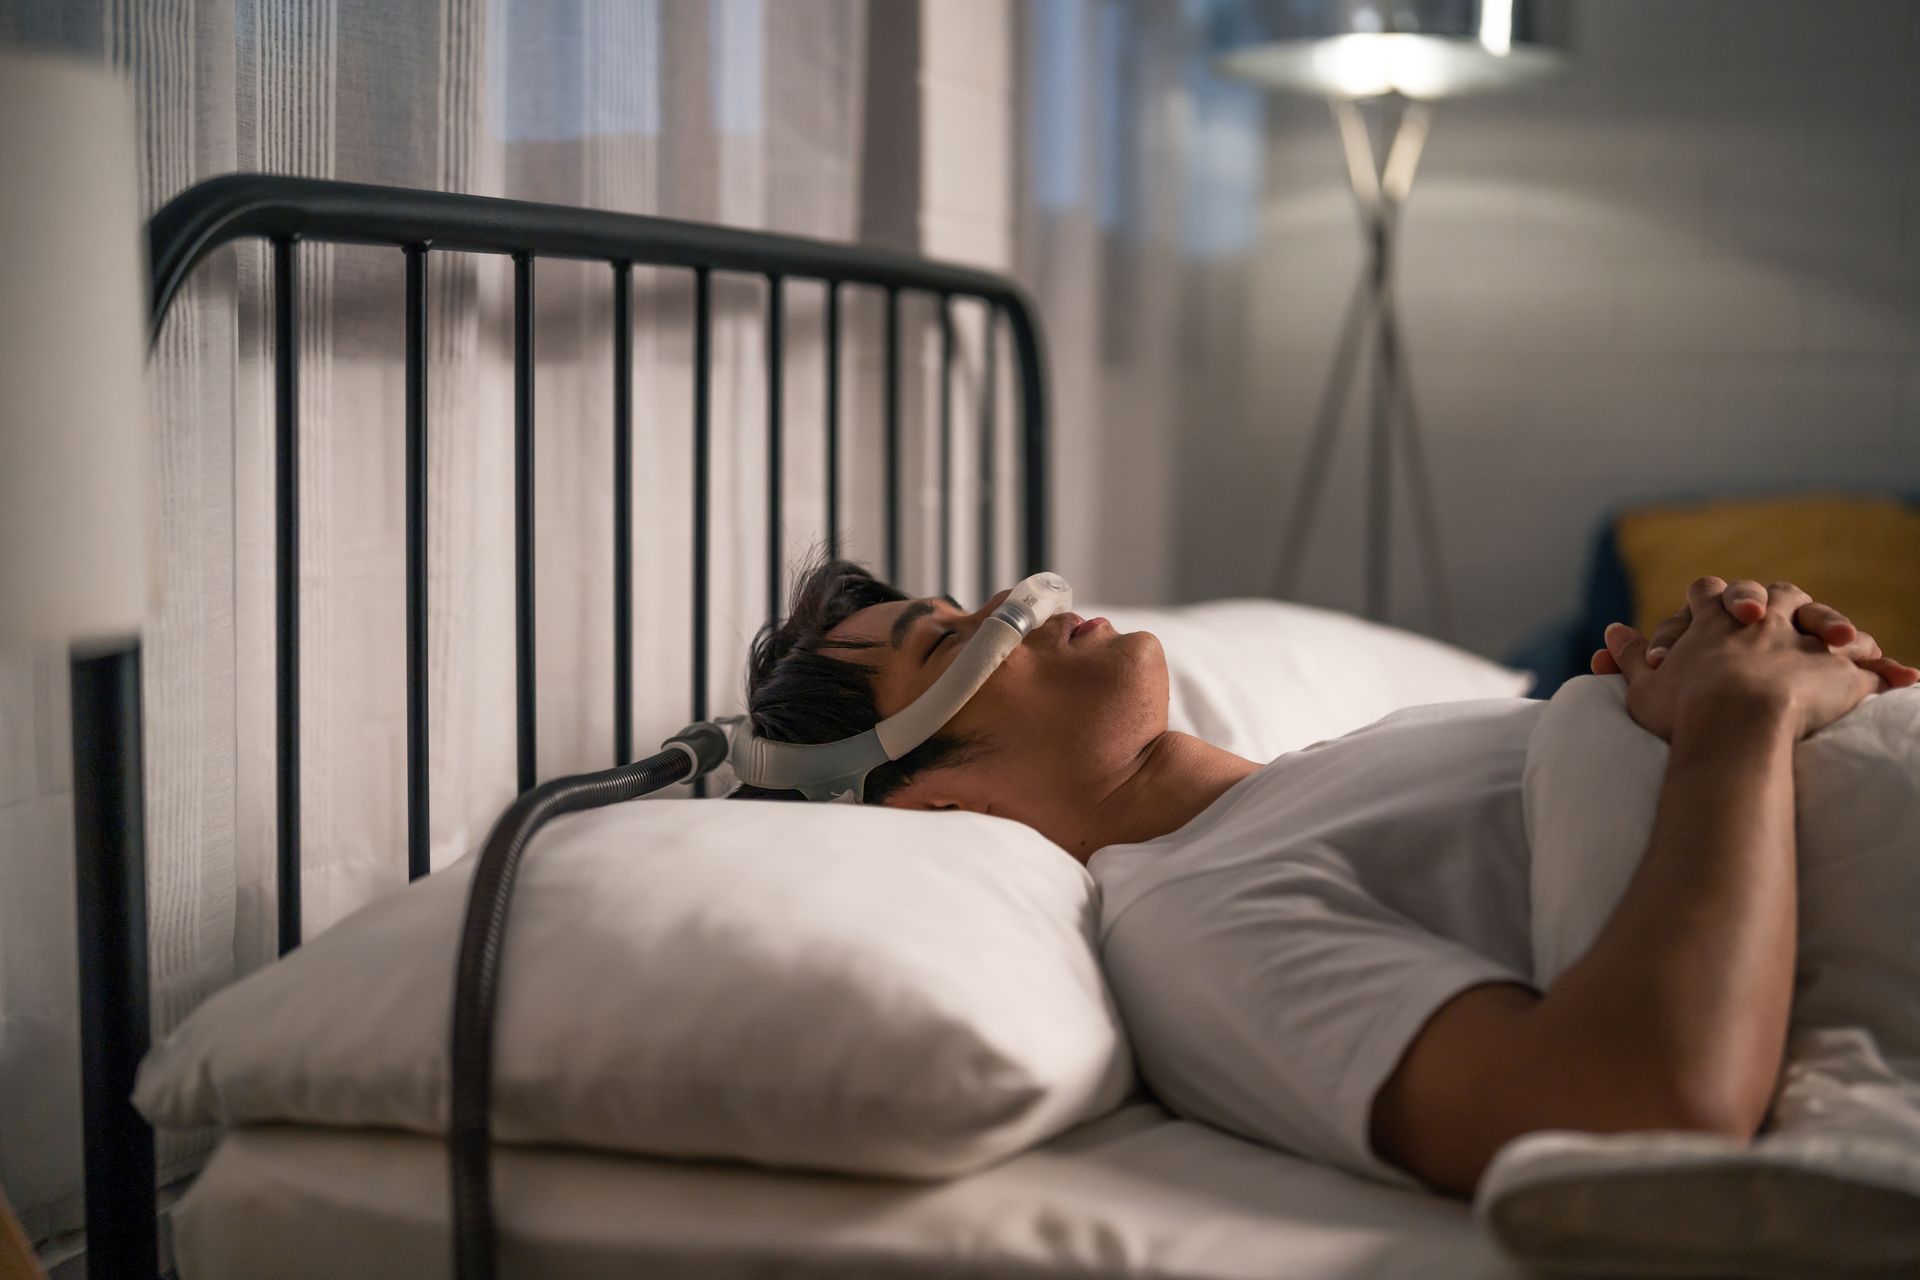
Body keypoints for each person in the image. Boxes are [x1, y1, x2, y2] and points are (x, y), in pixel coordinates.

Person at [731, 558, 1919, 1196]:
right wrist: (1741, 714)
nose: (1013, 606)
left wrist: (1795, 667)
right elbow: (1647, 1107)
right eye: (948, 642)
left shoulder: (1338, 764)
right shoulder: (1197, 921)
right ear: (929, 798)